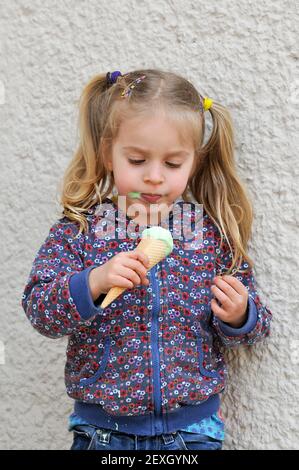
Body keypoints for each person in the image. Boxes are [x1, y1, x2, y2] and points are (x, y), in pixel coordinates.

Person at [21, 69, 273, 451]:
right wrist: (93, 281)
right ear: (109, 154)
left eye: (173, 164)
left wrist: (240, 315)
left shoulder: (208, 235)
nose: (155, 177)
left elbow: (258, 325)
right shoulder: (81, 231)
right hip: (103, 434)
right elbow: (39, 309)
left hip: (192, 433)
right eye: (137, 160)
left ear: (194, 163)